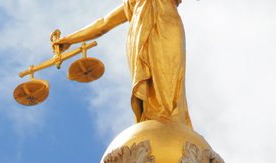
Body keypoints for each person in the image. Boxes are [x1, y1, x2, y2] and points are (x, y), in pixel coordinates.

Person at [55, 0, 191, 126]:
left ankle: (171, 123)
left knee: (168, 84)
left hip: (168, 34)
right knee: (148, 89)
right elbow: (104, 23)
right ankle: (152, 124)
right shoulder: (133, 2)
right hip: (138, 42)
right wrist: (69, 40)